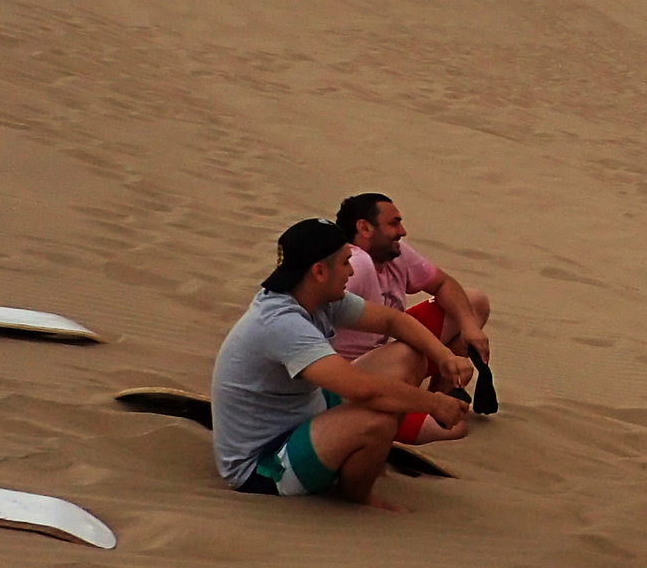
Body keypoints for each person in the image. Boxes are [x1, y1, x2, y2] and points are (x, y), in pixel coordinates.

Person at [209, 218, 473, 509]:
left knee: (408, 357)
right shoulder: (281, 323)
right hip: (263, 466)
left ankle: (365, 459)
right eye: (346, 263)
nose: (352, 271)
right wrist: (434, 403)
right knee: (378, 420)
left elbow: (393, 320)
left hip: (303, 413)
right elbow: (364, 390)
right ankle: (356, 497)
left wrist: (444, 356)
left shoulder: (316, 297)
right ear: (320, 271)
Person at [334, 192, 497, 414]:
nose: (402, 232)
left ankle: (441, 397)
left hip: (395, 357)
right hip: (355, 378)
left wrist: (468, 325)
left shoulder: (394, 253)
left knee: (473, 302)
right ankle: (424, 410)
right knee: (451, 430)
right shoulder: (355, 265)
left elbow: (443, 283)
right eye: (394, 224)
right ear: (364, 228)